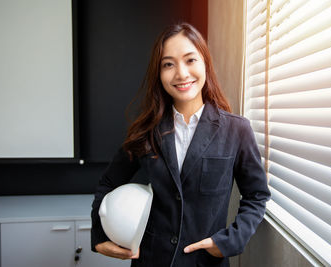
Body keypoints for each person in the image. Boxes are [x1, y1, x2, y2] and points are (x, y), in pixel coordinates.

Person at [91, 22, 270, 267]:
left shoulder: (237, 130)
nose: (181, 74)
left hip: (205, 262)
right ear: (159, 73)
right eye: (168, 64)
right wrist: (100, 236)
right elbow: (108, 183)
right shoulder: (147, 130)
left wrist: (229, 241)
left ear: (205, 62)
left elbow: (256, 195)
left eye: (190, 60)